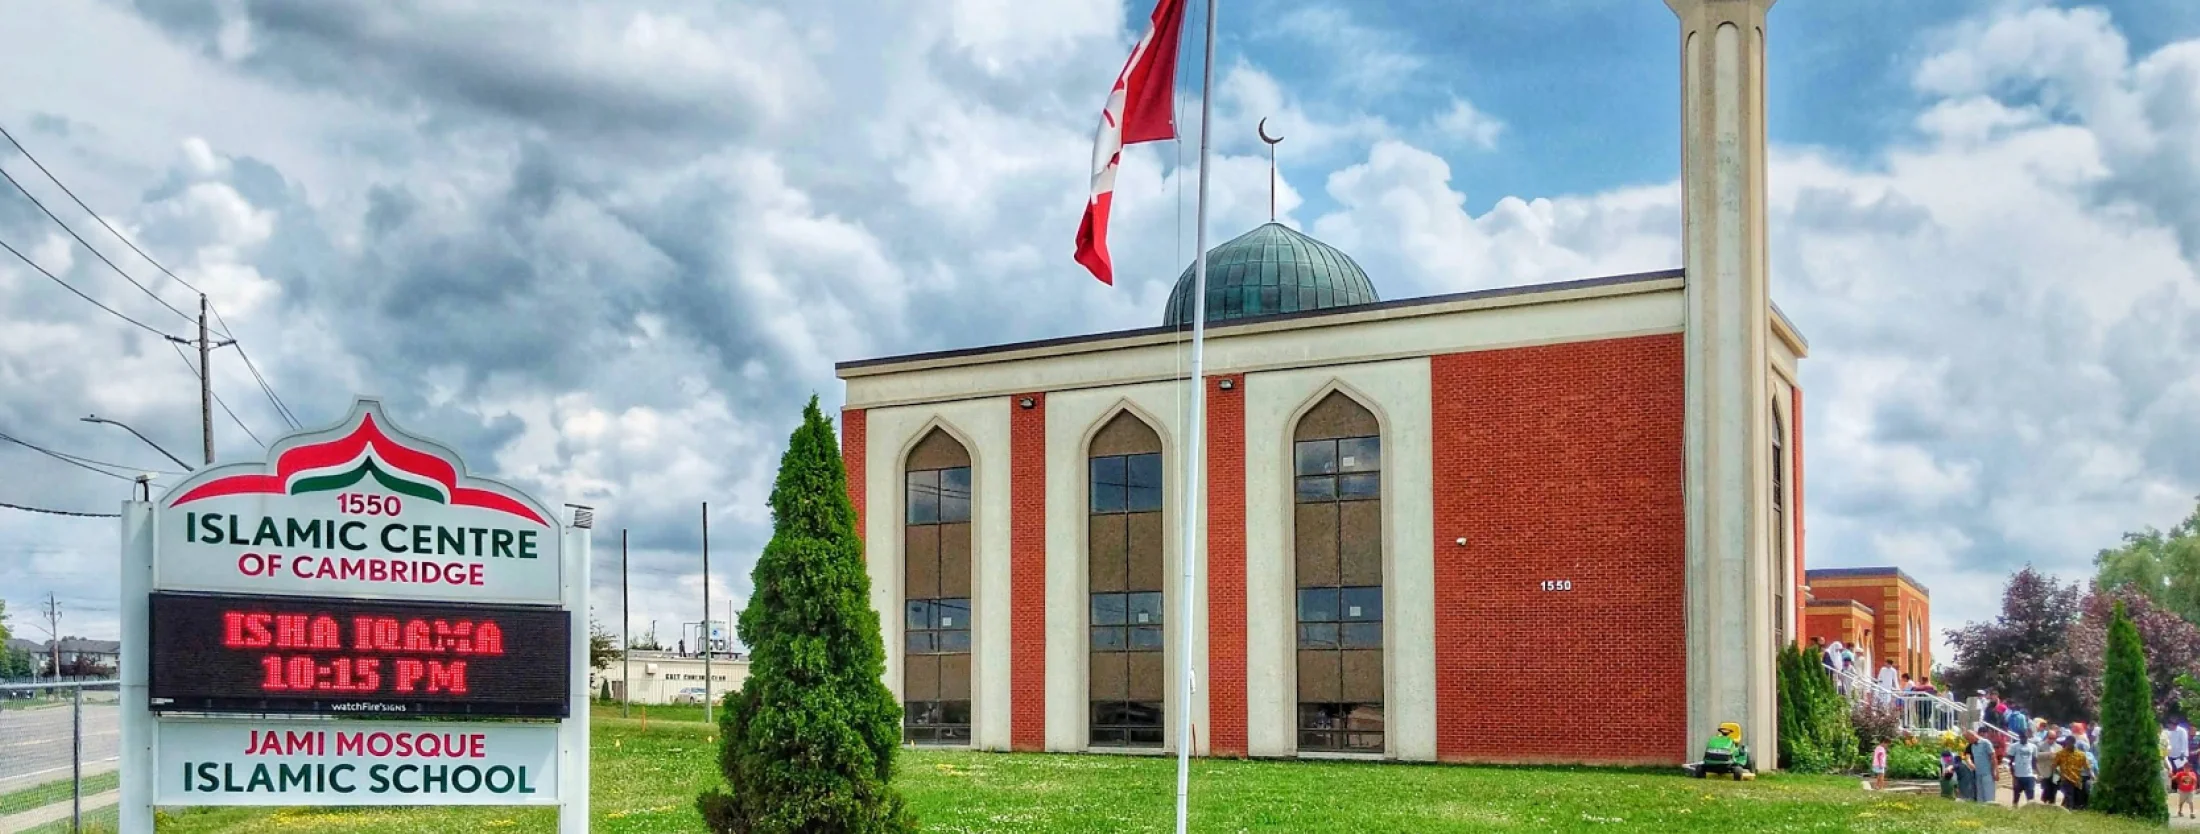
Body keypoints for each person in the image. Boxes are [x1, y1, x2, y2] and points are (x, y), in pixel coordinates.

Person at [2006, 731, 2037, 807]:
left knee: (2030, 797)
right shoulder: (2014, 746)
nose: (2024, 739)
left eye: (2025, 737)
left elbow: (2034, 761)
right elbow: (2011, 762)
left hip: (2029, 775)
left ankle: (2030, 811)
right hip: (2018, 775)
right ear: (2019, 737)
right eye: (2022, 737)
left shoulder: (2033, 747)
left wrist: (2036, 773)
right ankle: (2014, 809)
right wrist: (2013, 775)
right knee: (2016, 797)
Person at [1971, 726, 1999, 803]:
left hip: (1988, 774)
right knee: (1980, 797)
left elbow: (1993, 758)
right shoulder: (1973, 746)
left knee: (1989, 797)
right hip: (1978, 774)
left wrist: (1995, 772)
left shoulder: (1986, 743)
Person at [2036, 728, 2062, 806]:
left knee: (2055, 788)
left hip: (2056, 771)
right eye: (2050, 738)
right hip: (2045, 770)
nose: (2052, 740)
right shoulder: (2040, 745)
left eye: (2054, 738)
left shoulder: (2059, 747)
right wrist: (2047, 754)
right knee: (2047, 787)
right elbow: (2036, 756)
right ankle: (2045, 801)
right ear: (2047, 737)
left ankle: (2052, 803)